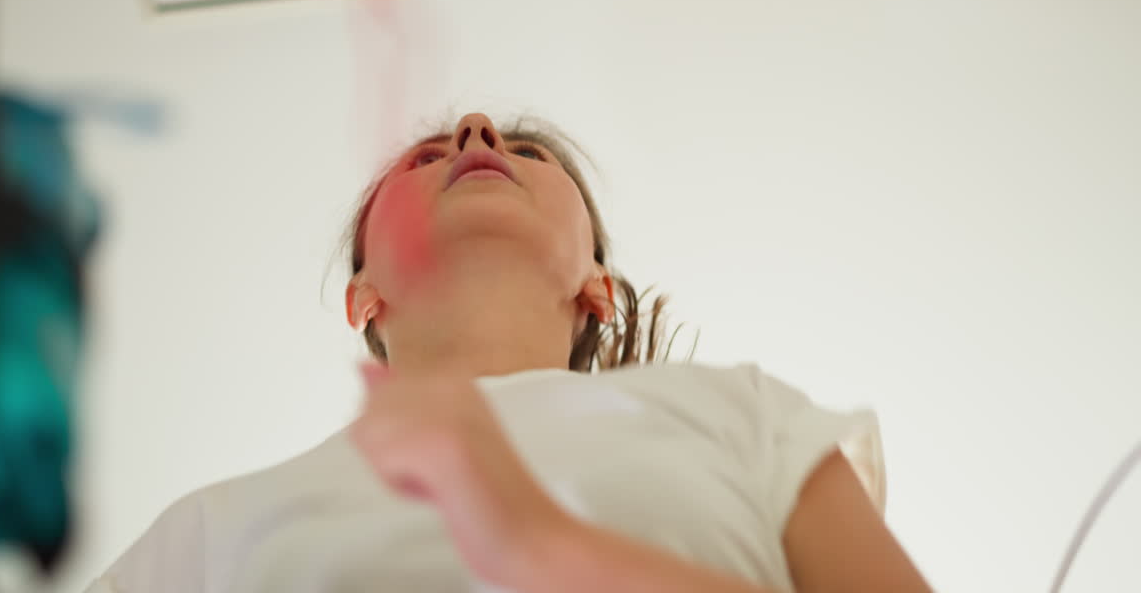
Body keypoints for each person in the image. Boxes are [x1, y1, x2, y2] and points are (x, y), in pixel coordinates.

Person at [84, 112, 933, 593]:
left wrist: (538, 543)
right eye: (425, 158)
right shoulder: (210, 530)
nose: (475, 131)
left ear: (598, 284)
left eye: (527, 154)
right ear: (364, 295)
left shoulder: (747, 416)